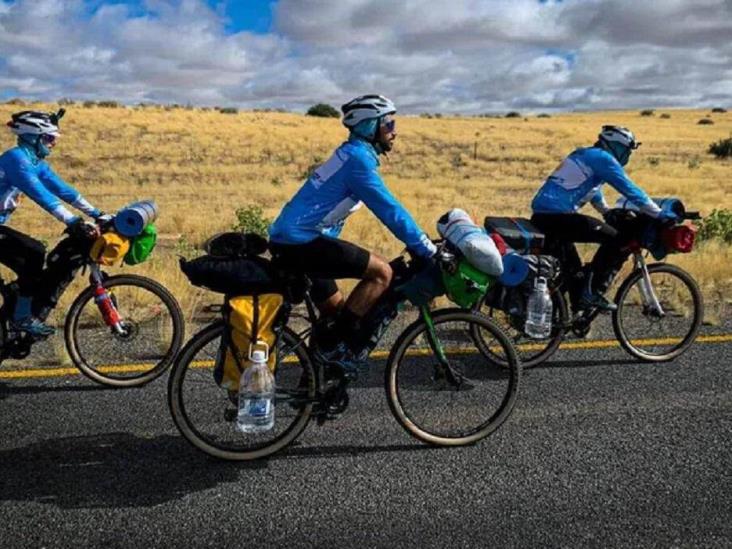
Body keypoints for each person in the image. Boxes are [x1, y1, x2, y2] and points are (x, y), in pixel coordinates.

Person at [268, 94, 436, 371]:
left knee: (335, 313)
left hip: (294, 239)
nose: (394, 131)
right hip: (301, 242)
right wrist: (424, 246)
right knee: (382, 272)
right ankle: (335, 350)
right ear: (371, 126)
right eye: (389, 123)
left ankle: (316, 380)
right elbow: (389, 210)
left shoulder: (349, 154)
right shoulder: (357, 161)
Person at [530, 125, 677, 312]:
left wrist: (606, 211)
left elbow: (591, 188)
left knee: (573, 273)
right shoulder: (603, 158)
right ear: (617, 146)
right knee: (617, 238)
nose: (627, 156)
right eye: (627, 150)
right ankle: (592, 293)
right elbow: (629, 189)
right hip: (558, 217)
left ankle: (574, 313)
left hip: (543, 218)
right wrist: (658, 213)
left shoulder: (585, 154)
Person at [0, 109, 104, 337]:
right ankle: (21, 318)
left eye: (54, 139)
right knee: (34, 253)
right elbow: (40, 194)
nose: (53, 144)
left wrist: (97, 213)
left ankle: (16, 301)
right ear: (32, 136)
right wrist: (73, 221)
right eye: (48, 138)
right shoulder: (16, 159)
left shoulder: (33, 162)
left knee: (33, 258)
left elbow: (63, 190)